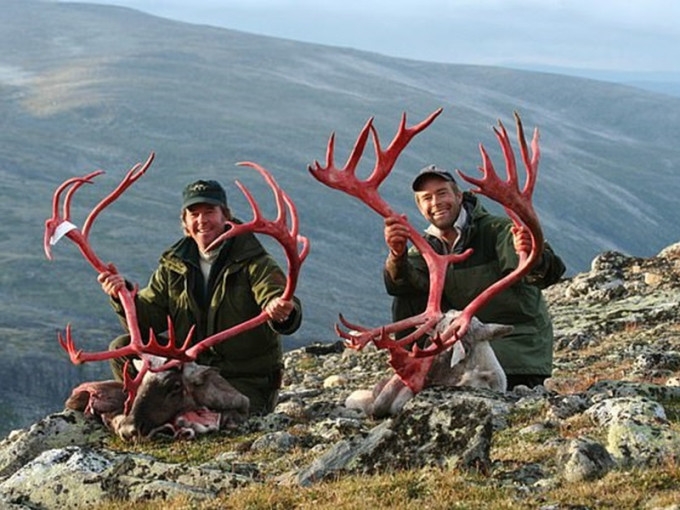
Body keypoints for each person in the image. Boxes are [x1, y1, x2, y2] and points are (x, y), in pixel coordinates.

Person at [97, 179, 302, 414]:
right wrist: (123, 296)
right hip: (189, 370)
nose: (202, 220)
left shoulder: (254, 262)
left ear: (226, 216)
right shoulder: (174, 265)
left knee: (226, 420)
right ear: (185, 222)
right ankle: (142, 411)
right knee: (123, 347)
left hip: (242, 378)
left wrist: (282, 310)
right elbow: (148, 321)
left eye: (209, 212)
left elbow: (277, 297)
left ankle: (164, 411)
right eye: (193, 214)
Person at [383, 165, 565, 389]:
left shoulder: (500, 231)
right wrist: (397, 255)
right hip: (463, 347)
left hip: (514, 348)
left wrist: (532, 254)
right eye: (426, 198)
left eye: (442, 193)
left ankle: (427, 378)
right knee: (406, 295)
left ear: (459, 196)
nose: (436, 202)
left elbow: (546, 274)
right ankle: (415, 366)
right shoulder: (426, 248)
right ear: (420, 208)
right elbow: (399, 285)